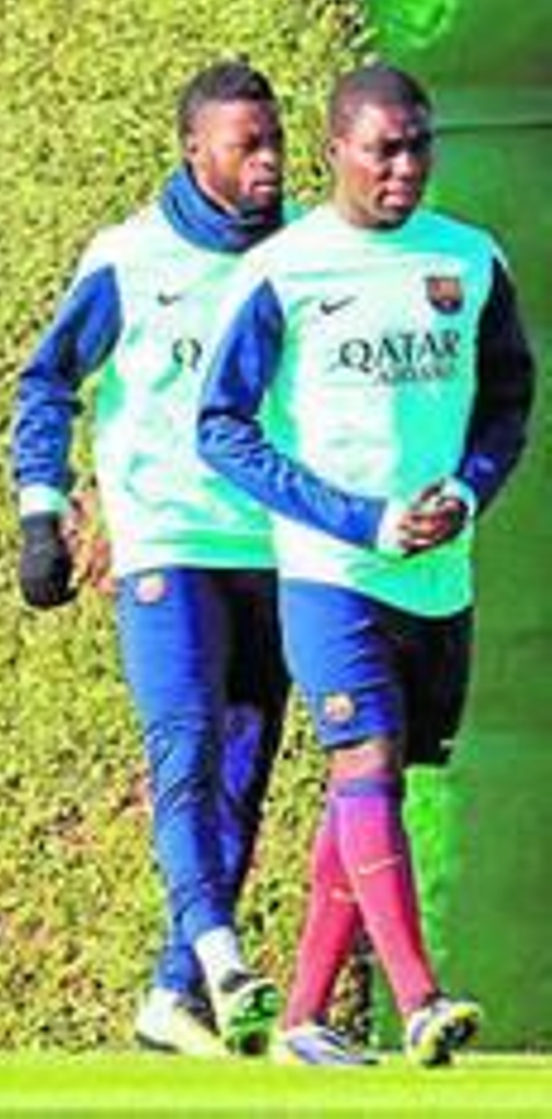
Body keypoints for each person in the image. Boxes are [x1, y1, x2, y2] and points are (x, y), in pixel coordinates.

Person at [198, 63, 535, 1068]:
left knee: (373, 788)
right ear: (335, 148)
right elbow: (221, 428)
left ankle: (302, 1017)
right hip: (329, 572)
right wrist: (358, 519)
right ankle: (419, 996)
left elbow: (507, 406)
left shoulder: (469, 261)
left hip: (440, 576)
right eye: (382, 147)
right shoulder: (283, 271)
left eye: (418, 145)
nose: (403, 166)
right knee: (364, 763)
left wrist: (465, 494)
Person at [10, 60, 293, 1058]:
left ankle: (172, 997)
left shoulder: (305, 254)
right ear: (192, 149)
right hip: (163, 540)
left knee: (244, 773)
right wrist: (40, 512)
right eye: (245, 144)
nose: (267, 161)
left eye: (275, 141)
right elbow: (46, 383)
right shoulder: (128, 257)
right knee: (183, 747)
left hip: (274, 546)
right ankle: (223, 960)